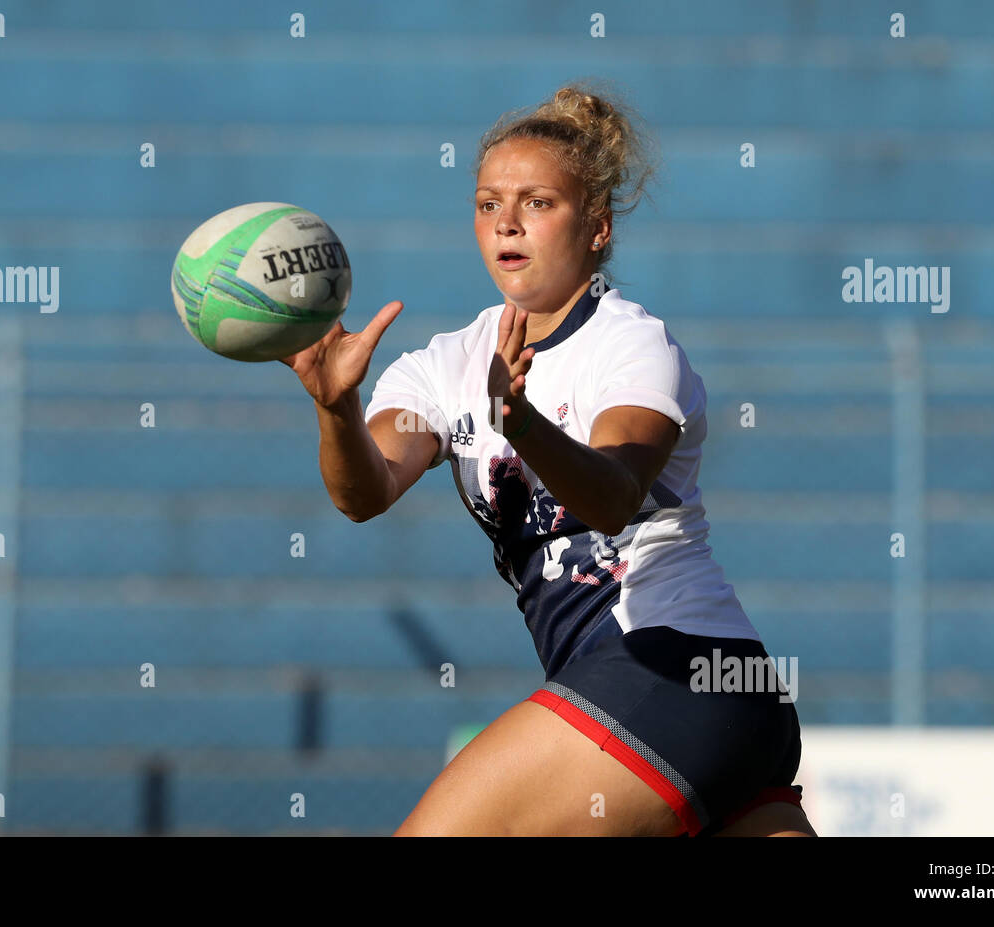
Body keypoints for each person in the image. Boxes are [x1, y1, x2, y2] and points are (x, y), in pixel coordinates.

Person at [280, 83, 815, 837]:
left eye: (537, 202)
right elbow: (365, 491)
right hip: (693, 711)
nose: (507, 221)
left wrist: (522, 423)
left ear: (597, 227)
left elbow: (615, 494)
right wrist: (335, 408)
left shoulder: (631, 343)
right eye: (488, 201)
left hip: (674, 668)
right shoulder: (442, 365)